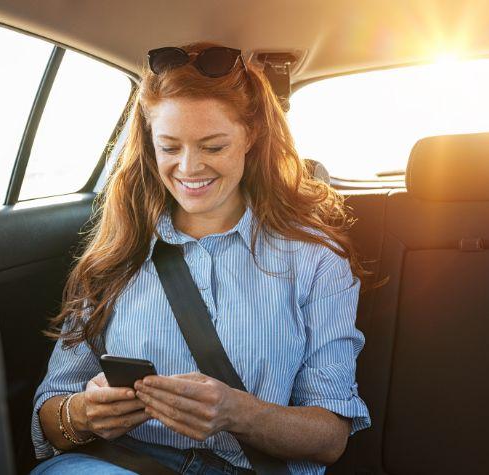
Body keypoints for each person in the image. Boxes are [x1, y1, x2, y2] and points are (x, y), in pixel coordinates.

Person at [30, 41, 372, 475]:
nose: (189, 168)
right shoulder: (116, 253)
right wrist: (81, 413)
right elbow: (50, 414)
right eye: (170, 147)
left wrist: (238, 413)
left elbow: (330, 438)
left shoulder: (315, 260)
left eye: (213, 147)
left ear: (251, 137)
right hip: (121, 464)